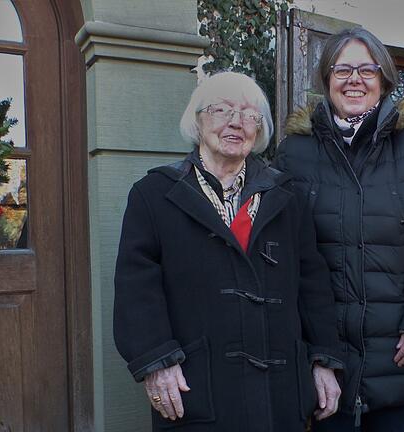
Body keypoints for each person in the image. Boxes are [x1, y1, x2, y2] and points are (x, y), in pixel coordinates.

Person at [114, 71, 344, 432]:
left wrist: (324, 360)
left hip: (279, 391)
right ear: (198, 119)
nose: (236, 123)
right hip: (196, 384)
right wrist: (156, 362)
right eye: (222, 110)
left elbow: (313, 282)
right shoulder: (154, 195)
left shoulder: (287, 197)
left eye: (250, 115)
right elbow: (135, 288)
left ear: (259, 129)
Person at [275, 28, 404, 432]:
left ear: (384, 79)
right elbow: (280, 251)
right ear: (327, 78)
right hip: (324, 357)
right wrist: (309, 351)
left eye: (367, 68)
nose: (355, 79)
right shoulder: (296, 152)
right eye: (343, 69)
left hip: (397, 352)